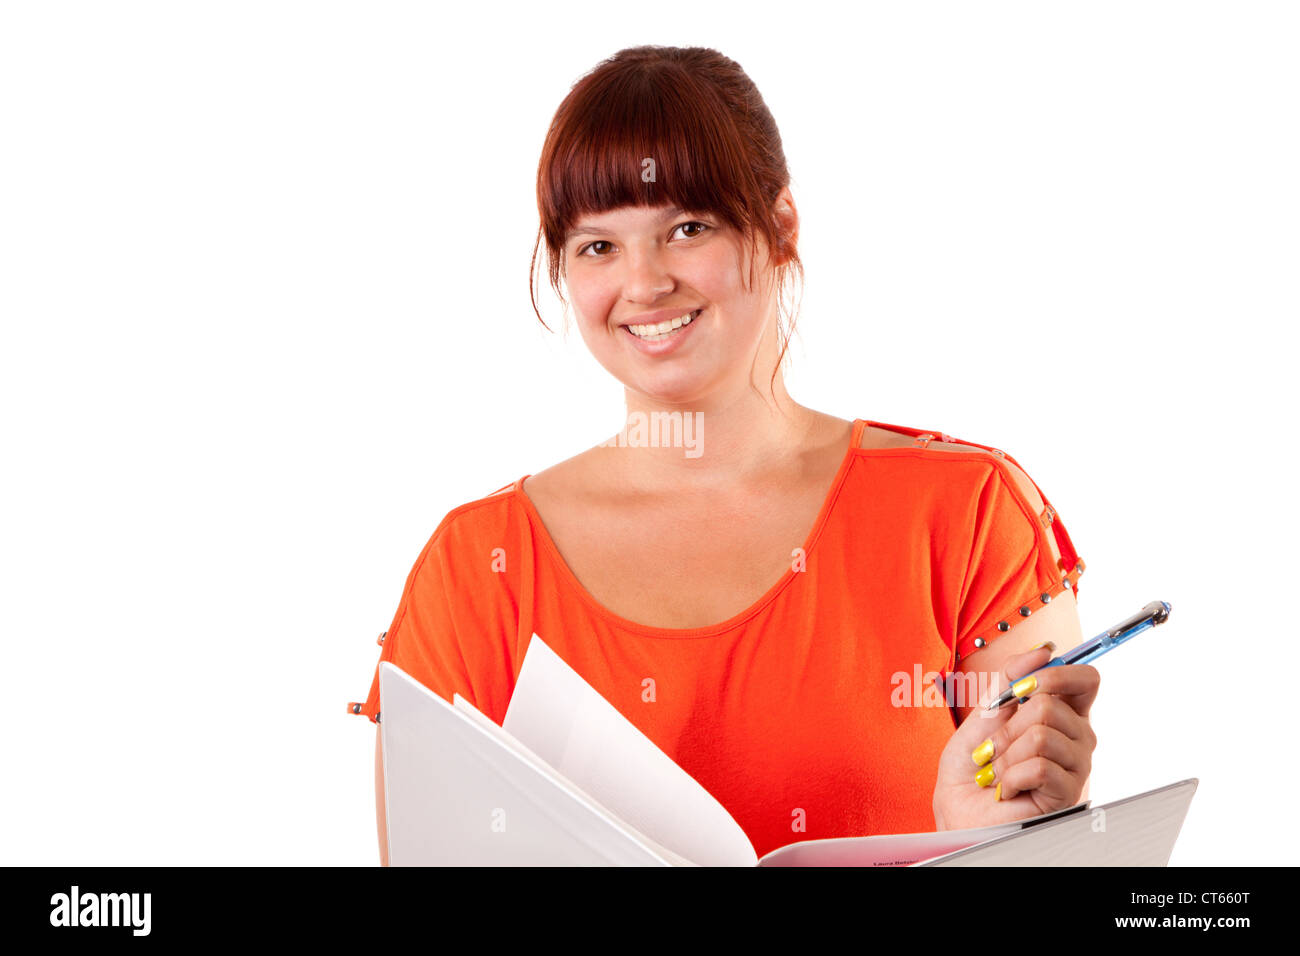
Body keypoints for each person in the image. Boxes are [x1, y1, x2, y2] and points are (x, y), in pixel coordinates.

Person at [349, 45, 1098, 866]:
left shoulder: (968, 514)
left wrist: (985, 837)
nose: (643, 284)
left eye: (687, 228)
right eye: (598, 246)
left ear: (779, 228)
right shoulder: (477, 568)